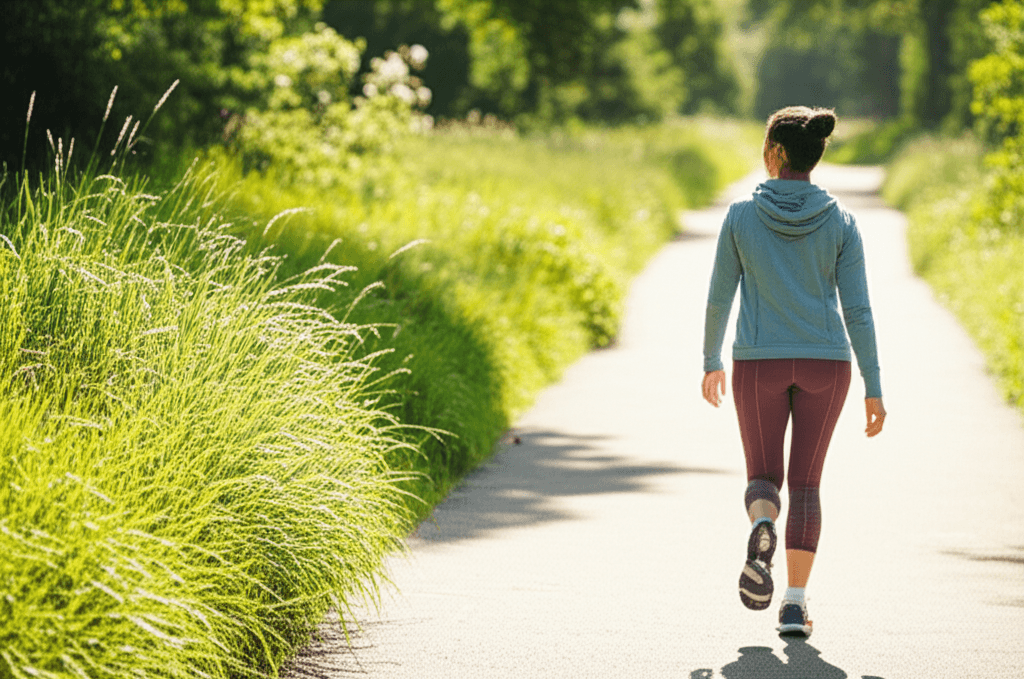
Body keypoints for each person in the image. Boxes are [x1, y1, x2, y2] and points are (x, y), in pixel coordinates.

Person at [701, 105, 886, 638]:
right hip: (827, 365)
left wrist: (711, 359)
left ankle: (763, 522)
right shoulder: (841, 221)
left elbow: (719, 299)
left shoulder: (740, 216)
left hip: (758, 363)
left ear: (776, 153)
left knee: (765, 478)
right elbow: (860, 310)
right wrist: (874, 386)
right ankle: (794, 604)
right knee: (806, 484)